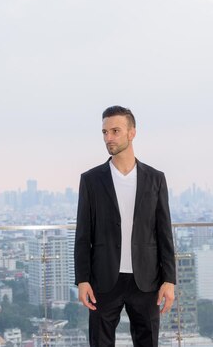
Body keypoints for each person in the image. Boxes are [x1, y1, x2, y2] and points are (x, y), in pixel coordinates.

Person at [74, 105, 176, 347]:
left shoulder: (155, 178)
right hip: (103, 280)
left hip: (147, 280)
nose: (108, 138)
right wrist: (82, 280)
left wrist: (169, 280)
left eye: (115, 131)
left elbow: (164, 232)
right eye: (105, 132)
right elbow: (82, 234)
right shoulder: (91, 180)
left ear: (132, 133)